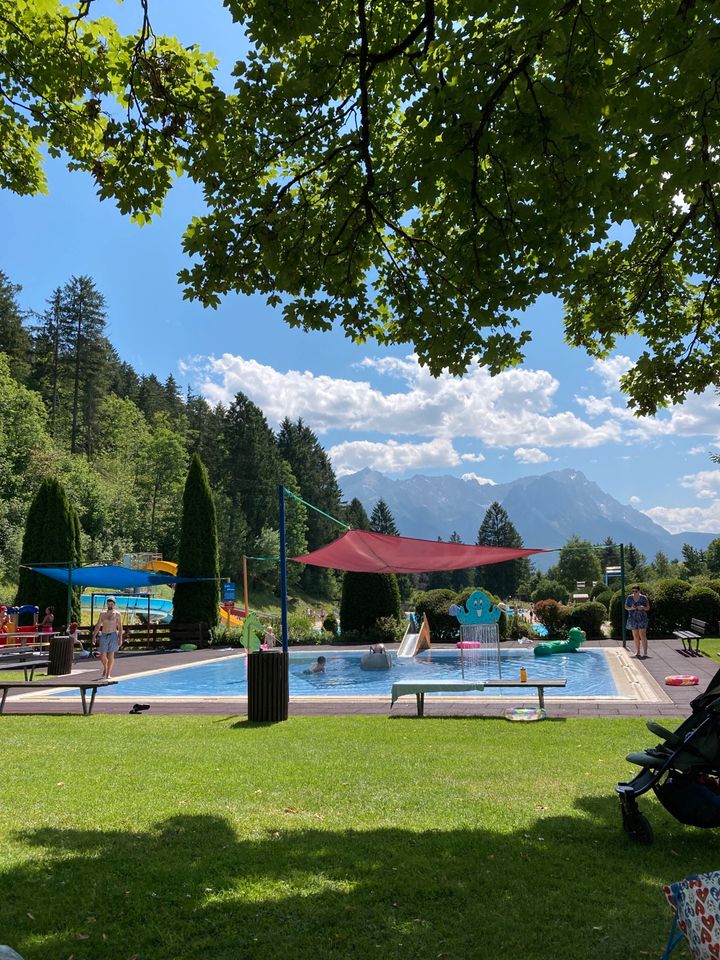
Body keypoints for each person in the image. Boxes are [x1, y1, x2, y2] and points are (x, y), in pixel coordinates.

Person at [92, 597, 123, 679]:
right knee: (102, 656)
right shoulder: (103, 613)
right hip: (104, 634)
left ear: (114, 604)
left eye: (111, 604)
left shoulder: (117, 614)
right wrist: (94, 636)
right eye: (109, 604)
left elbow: (120, 627)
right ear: (107, 604)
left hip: (113, 635)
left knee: (111, 655)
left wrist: (120, 638)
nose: (110, 605)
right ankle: (105, 668)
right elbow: (98, 625)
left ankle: (108, 673)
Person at [625, 585, 650, 659]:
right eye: (633, 591)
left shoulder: (643, 598)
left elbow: (648, 608)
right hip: (633, 618)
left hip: (642, 618)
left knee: (642, 634)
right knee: (635, 635)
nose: (634, 593)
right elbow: (626, 607)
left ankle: (645, 652)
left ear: (639, 591)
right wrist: (631, 608)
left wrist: (642, 608)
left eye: (635, 591)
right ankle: (638, 651)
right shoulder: (629, 597)